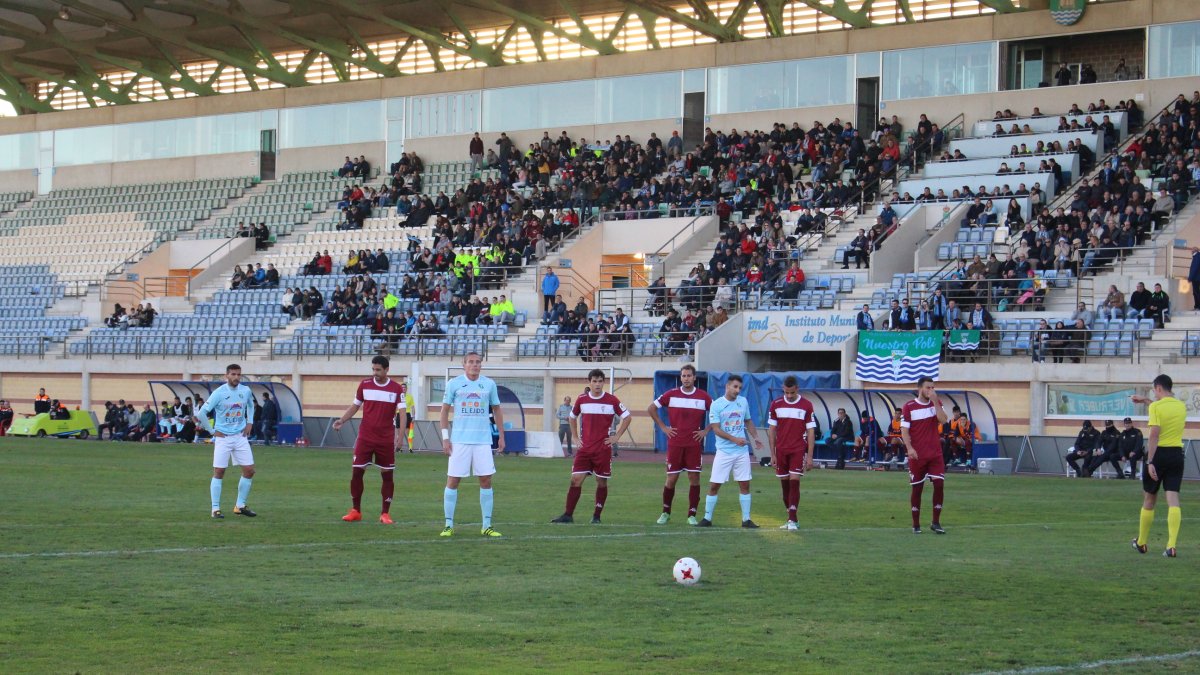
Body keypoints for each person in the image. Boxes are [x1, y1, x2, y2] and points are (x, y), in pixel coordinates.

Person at [551, 369, 632, 524]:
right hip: (585, 450)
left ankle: (596, 516)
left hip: (602, 450)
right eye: (594, 381)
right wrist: (575, 437)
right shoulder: (582, 400)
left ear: (603, 382)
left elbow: (627, 417)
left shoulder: (612, 400)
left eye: (600, 381)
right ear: (589, 382)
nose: (597, 384)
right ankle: (568, 515)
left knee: (601, 482)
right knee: (575, 479)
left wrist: (616, 436)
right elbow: (572, 417)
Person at [333, 356, 406, 525]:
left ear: (387, 370)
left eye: (378, 370)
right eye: (373, 369)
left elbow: (402, 414)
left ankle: (385, 513)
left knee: (387, 475)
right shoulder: (364, 385)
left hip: (385, 439)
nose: (375, 373)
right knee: (357, 471)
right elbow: (355, 406)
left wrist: (400, 437)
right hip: (365, 437)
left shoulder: (396, 389)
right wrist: (342, 420)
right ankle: (355, 510)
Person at [439, 352, 505, 537]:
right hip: (459, 441)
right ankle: (448, 525)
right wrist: (445, 437)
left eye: (477, 362)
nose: (474, 365)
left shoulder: (489, 384)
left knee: (486, 480)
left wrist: (501, 435)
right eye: (471, 362)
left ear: (481, 365)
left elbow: (497, 410)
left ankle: (486, 525)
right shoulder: (454, 384)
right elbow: (444, 411)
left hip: (482, 441)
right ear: (464, 364)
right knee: (453, 480)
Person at [648, 364, 712, 526]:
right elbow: (651, 408)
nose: (686, 379)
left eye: (689, 376)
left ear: (694, 377)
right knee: (671, 479)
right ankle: (665, 512)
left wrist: (706, 430)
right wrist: (663, 427)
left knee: (694, 478)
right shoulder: (671, 394)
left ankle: (691, 514)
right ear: (680, 377)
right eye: (683, 376)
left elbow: (718, 414)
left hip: (693, 445)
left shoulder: (703, 397)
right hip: (675, 443)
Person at [1131, 375, 1186, 557]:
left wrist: (1150, 461)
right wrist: (1146, 400)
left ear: (1159, 388)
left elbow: (1154, 434)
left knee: (1149, 499)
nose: (1154, 394)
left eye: (1154, 390)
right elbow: (1164, 409)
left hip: (1159, 454)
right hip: (1177, 454)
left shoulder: (1156, 407)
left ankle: (1142, 542)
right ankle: (1171, 546)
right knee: (1173, 499)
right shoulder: (1181, 406)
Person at [697, 375, 762, 529]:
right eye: (735, 387)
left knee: (745, 484)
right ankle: (707, 518)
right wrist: (734, 439)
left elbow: (748, 421)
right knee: (714, 485)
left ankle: (746, 519)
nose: (737, 390)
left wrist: (755, 437)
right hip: (724, 452)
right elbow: (716, 429)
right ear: (727, 386)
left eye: (739, 387)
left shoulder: (743, 402)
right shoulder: (717, 405)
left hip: (741, 452)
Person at [194, 364, 257, 519]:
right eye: (233, 374)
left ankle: (240, 506)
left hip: (240, 437)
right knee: (219, 471)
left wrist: (250, 422)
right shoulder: (219, 393)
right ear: (226, 375)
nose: (236, 377)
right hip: (223, 438)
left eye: (238, 374)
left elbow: (250, 405)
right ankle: (215, 509)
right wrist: (212, 431)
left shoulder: (245, 391)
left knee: (249, 471)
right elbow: (202, 413)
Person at [766, 375, 816, 531]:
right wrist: (772, 454)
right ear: (783, 389)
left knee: (794, 481)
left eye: (791, 393)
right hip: (781, 450)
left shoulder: (807, 405)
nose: (788, 396)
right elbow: (772, 430)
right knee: (785, 486)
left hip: (797, 449)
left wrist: (809, 456)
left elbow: (811, 431)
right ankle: (791, 517)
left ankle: (792, 520)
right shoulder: (776, 405)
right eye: (786, 392)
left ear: (797, 389)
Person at [902, 376, 949, 534]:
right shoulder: (909, 406)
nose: (931, 390)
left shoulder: (937, 403)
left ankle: (936, 522)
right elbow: (904, 430)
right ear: (919, 389)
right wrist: (909, 448)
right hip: (917, 455)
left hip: (935, 454)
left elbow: (943, 421)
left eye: (933, 387)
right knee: (917, 489)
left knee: (939, 484)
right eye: (928, 388)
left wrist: (936, 402)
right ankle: (916, 524)